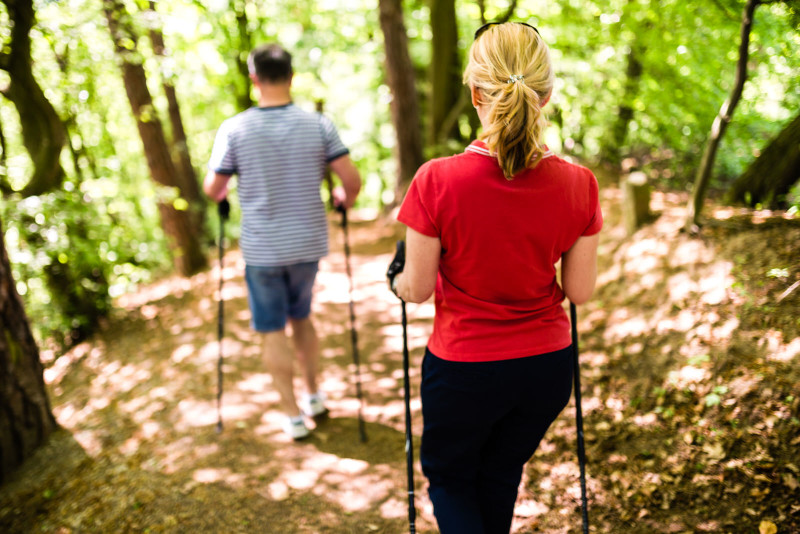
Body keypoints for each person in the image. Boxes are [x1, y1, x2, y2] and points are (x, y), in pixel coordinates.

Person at [387, 22, 602, 533]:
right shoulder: (580, 183)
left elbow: (415, 291)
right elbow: (580, 291)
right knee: (502, 469)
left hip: (465, 367)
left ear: (475, 92)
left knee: (451, 478)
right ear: (546, 95)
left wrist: (395, 277)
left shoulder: (436, 180)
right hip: (546, 368)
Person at [204, 43, 361, 441]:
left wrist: (223, 196)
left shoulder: (234, 129)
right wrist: (343, 200)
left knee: (272, 328)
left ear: (254, 79)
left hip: (262, 249)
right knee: (302, 318)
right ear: (291, 77)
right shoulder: (319, 125)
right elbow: (351, 181)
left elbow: (214, 187)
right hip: (307, 244)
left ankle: (292, 416)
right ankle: (314, 396)